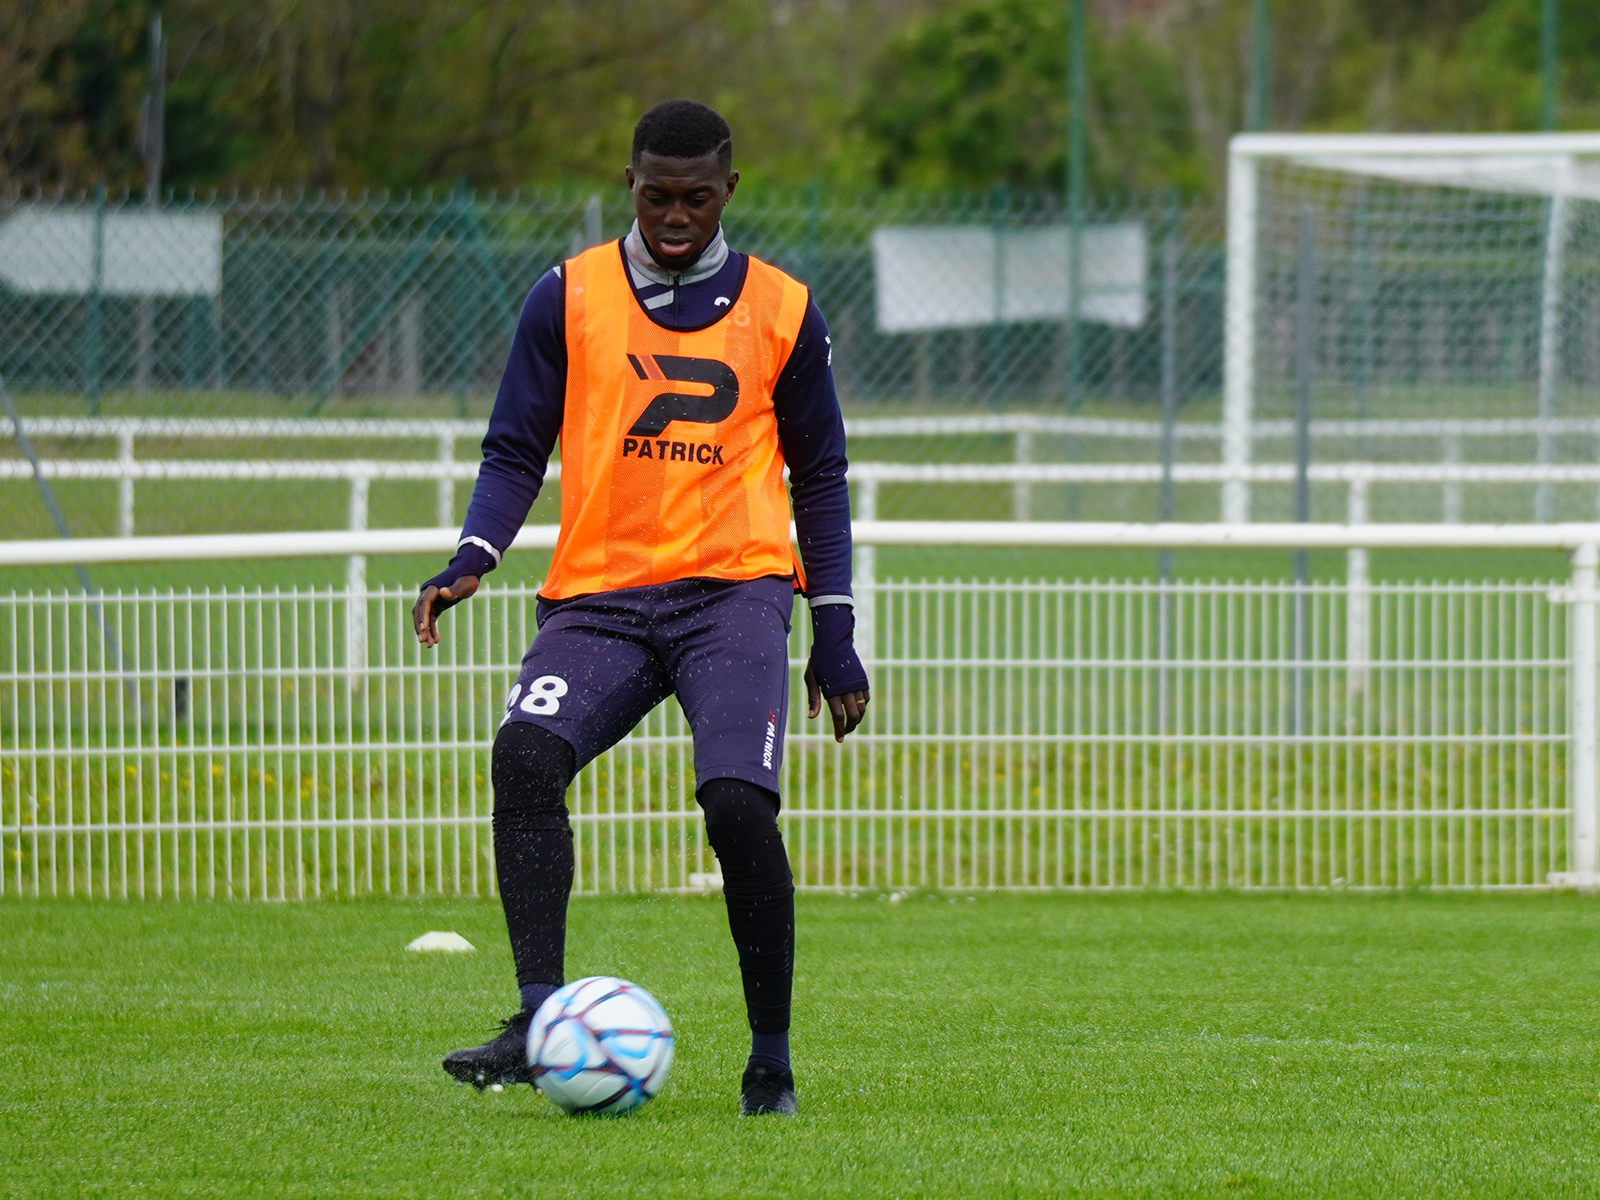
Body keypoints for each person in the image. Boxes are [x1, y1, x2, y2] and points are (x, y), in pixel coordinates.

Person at [412, 99, 869, 1117]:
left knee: (737, 803)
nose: (675, 215)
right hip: (602, 601)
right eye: (656, 195)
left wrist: (834, 635)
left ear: (728, 192)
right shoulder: (565, 295)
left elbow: (821, 478)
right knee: (524, 755)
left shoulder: (784, 311)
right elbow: (514, 447)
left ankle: (770, 1065)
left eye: (695, 198)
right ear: (630, 183)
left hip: (734, 597)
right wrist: (473, 554)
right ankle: (538, 1022)